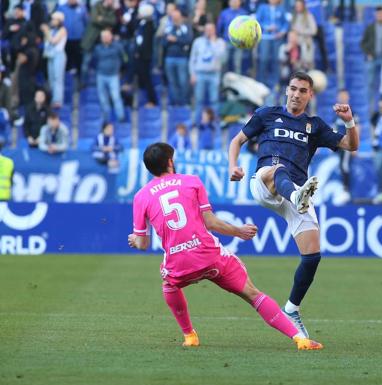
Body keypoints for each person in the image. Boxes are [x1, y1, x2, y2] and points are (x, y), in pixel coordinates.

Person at [128, 142, 323, 350]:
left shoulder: (141, 197)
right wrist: (239, 231)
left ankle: (189, 335)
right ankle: (299, 338)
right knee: (253, 294)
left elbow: (142, 243)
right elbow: (210, 223)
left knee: (169, 285)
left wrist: (134, 239)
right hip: (210, 257)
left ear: (149, 168)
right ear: (170, 161)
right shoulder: (191, 182)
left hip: (179, 263)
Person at [228, 71, 359, 337]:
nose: (296, 94)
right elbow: (237, 140)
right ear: (286, 90)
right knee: (277, 169)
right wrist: (233, 166)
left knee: (312, 256)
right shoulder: (267, 114)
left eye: (302, 91)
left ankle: (291, 308)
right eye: (293, 89)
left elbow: (350, 145)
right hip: (265, 183)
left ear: (310, 95)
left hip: (297, 192)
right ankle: (297, 196)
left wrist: (349, 122)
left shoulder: (315, 125)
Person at [189, 22, 226, 126]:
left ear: (215, 30)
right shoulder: (198, 42)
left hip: (214, 74)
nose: (209, 31)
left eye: (211, 29)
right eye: (207, 29)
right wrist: (192, 74)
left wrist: (213, 43)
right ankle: (196, 122)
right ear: (204, 30)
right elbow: (192, 59)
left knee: (214, 100)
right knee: (198, 100)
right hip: (200, 73)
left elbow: (222, 58)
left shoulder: (220, 42)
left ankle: (214, 121)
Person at [360, 6, 382, 108]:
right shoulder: (370, 27)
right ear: (375, 15)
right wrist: (368, 53)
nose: (380, 16)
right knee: (370, 83)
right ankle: (369, 105)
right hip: (373, 59)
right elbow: (363, 43)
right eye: (378, 14)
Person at [93, 29, 127, 122]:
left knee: (116, 97)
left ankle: (121, 118)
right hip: (101, 75)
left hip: (113, 76)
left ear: (111, 36)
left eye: (107, 36)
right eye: (103, 37)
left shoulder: (118, 47)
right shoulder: (98, 48)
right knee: (103, 99)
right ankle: (106, 120)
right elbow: (94, 60)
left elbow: (124, 59)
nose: (105, 38)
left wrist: (121, 71)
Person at [256, 0, 289, 90]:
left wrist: (282, 32)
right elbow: (257, 21)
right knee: (263, 60)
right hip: (265, 37)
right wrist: (267, 27)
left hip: (277, 38)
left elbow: (286, 23)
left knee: (276, 60)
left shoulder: (281, 9)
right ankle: (261, 83)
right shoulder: (262, 8)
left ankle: (276, 83)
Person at [163, 9, 193, 106]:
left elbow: (188, 40)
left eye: (177, 17)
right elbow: (163, 43)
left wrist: (175, 39)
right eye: (173, 17)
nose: (175, 19)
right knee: (172, 82)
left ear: (181, 17)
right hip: (169, 58)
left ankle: (184, 103)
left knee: (183, 82)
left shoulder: (186, 27)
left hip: (182, 58)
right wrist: (170, 40)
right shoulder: (168, 28)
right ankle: (175, 103)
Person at [41, 12, 68, 109]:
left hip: (59, 55)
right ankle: (52, 98)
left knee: (58, 78)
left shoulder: (63, 30)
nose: (52, 21)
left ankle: (58, 100)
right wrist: (47, 31)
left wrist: (46, 31)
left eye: (54, 19)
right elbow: (46, 42)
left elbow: (53, 41)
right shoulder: (52, 30)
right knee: (51, 78)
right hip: (50, 55)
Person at [333, 89, 355, 205]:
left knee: (345, 165)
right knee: (341, 165)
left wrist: (355, 144)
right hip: (339, 144)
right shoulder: (336, 112)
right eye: (340, 95)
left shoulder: (351, 111)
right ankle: (343, 189)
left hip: (347, 144)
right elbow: (333, 128)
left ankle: (346, 190)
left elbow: (357, 128)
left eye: (344, 95)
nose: (342, 97)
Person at [216, 0, 247, 74]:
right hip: (226, 41)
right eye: (233, 1)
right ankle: (222, 81)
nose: (235, 2)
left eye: (237, 1)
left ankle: (237, 82)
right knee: (224, 61)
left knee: (237, 63)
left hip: (239, 42)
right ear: (229, 2)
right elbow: (219, 27)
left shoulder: (244, 13)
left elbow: (247, 28)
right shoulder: (224, 13)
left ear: (240, 2)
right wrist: (221, 38)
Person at [58, 0, 88, 76]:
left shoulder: (82, 7)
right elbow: (57, 21)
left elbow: (86, 22)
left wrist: (84, 35)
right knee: (66, 60)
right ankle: (66, 78)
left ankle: (79, 79)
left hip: (78, 38)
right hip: (65, 39)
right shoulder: (61, 7)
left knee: (79, 60)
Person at [290, 0, 317, 71]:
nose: (297, 7)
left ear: (303, 6)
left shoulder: (309, 16)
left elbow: (314, 30)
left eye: (299, 5)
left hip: (306, 43)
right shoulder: (293, 17)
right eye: (296, 6)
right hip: (295, 44)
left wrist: (300, 31)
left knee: (307, 65)